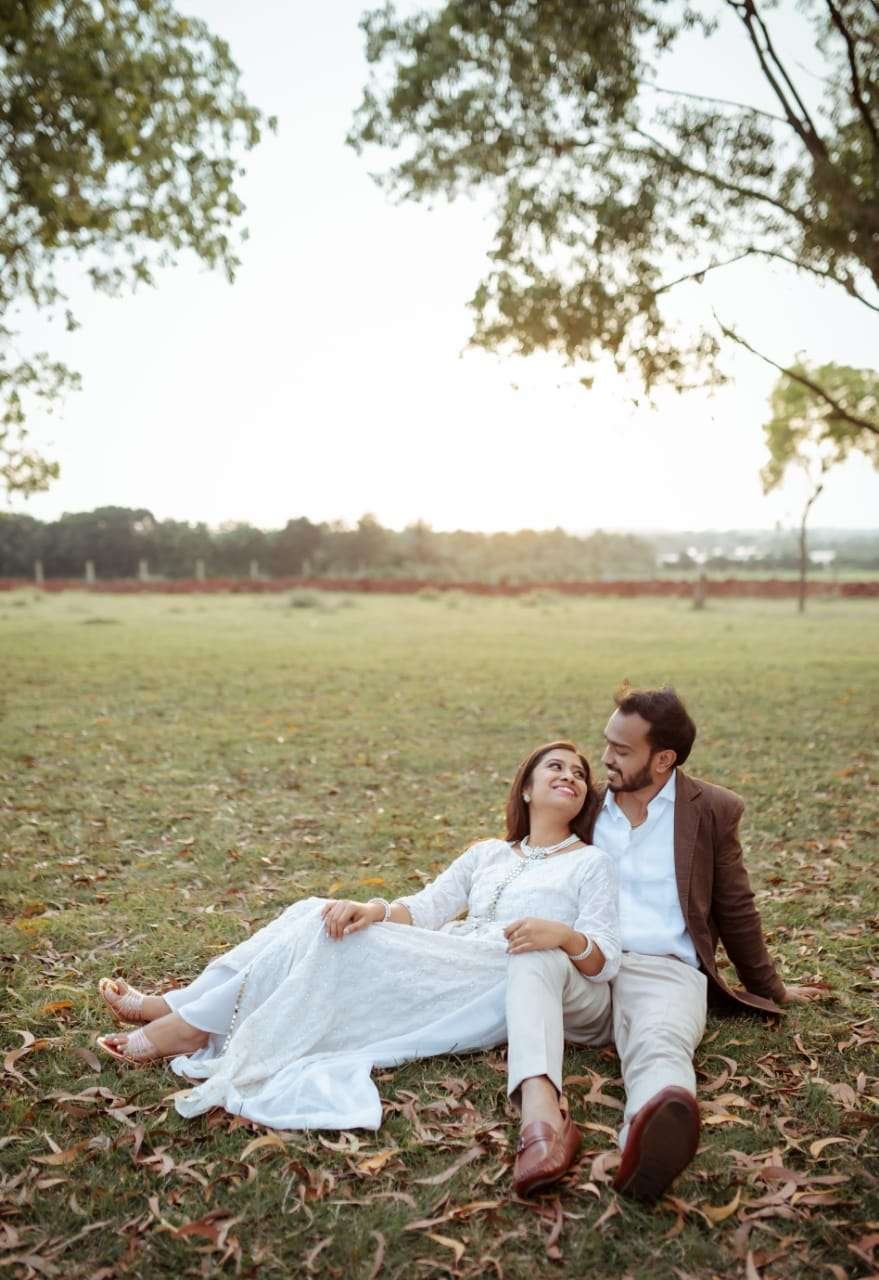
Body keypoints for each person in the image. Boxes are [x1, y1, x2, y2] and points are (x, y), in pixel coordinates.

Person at [97, 741, 621, 1196]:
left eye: (579, 774)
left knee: (334, 940)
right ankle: (182, 1007)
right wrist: (374, 909)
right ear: (526, 788)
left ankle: (189, 1024)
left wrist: (564, 935)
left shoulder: (590, 863)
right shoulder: (489, 853)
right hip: (449, 952)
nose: (570, 777)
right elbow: (427, 907)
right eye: (556, 767)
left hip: (496, 974)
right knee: (314, 912)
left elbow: (604, 958)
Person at [580, 686, 824, 1203]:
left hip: (665, 969)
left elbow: (735, 908)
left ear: (663, 759)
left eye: (621, 750)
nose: (605, 758)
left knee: (660, 1042)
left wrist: (771, 989)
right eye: (607, 743)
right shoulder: (586, 802)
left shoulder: (711, 810)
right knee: (510, 995)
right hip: (584, 959)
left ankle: (647, 1142)